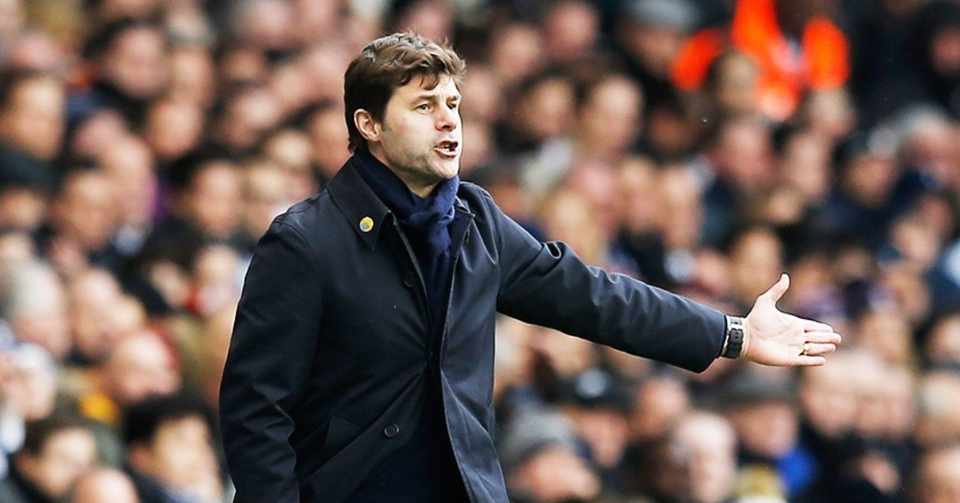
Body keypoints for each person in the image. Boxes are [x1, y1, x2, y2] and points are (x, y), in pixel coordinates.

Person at [219, 32, 841, 503]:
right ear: (369, 125)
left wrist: (733, 334)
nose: (448, 119)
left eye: (453, 104)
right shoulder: (305, 242)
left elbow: (596, 298)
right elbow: (256, 411)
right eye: (424, 106)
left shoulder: (476, 222)